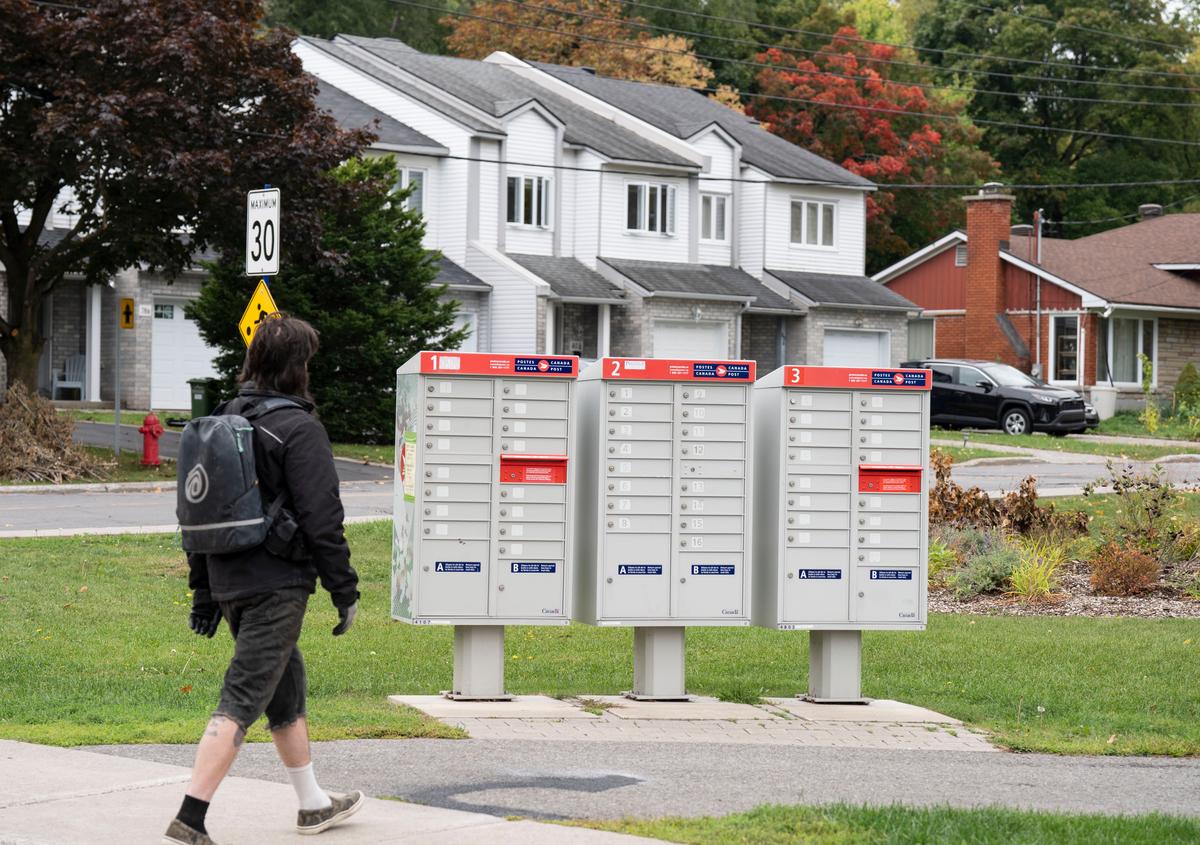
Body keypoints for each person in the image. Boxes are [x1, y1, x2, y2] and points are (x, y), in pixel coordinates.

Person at [164, 315, 363, 845]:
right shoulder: (299, 428)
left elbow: (197, 514)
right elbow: (323, 518)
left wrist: (204, 591)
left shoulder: (222, 419)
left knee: (283, 684)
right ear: (297, 367)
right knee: (244, 694)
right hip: (276, 583)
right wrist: (344, 589)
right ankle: (191, 816)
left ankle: (313, 803)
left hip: (229, 578)